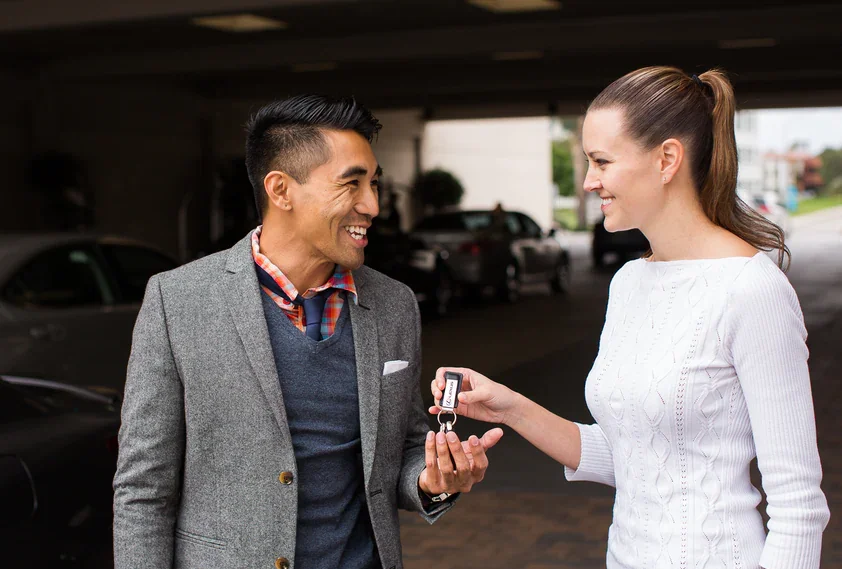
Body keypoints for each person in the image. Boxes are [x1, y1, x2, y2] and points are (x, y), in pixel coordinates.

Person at [431, 67, 830, 568]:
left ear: (667, 159)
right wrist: (509, 406)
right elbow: (631, 456)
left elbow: (798, 504)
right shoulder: (628, 283)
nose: (588, 180)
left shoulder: (751, 290)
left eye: (601, 161)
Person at [113, 95, 503, 569]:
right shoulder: (178, 301)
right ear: (281, 190)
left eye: (375, 184)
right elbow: (143, 490)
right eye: (352, 184)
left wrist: (432, 479)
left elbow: (401, 449)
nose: (373, 205)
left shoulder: (394, 304)